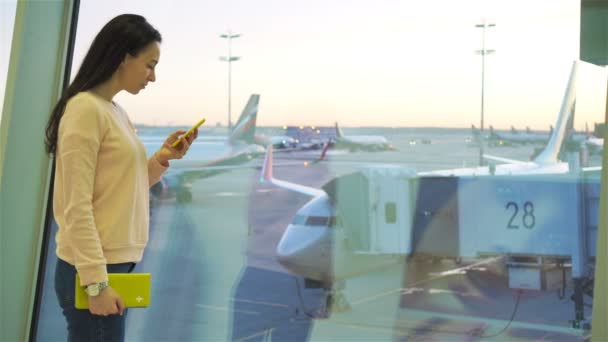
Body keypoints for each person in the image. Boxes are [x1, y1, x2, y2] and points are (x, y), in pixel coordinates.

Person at [44, 14, 196, 341]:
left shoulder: (114, 111)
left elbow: (127, 188)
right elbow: (76, 207)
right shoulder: (86, 110)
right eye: (149, 65)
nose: (152, 77)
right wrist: (96, 283)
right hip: (93, 271)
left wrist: (161, 159)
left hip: (108, 267)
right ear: (124, 57)